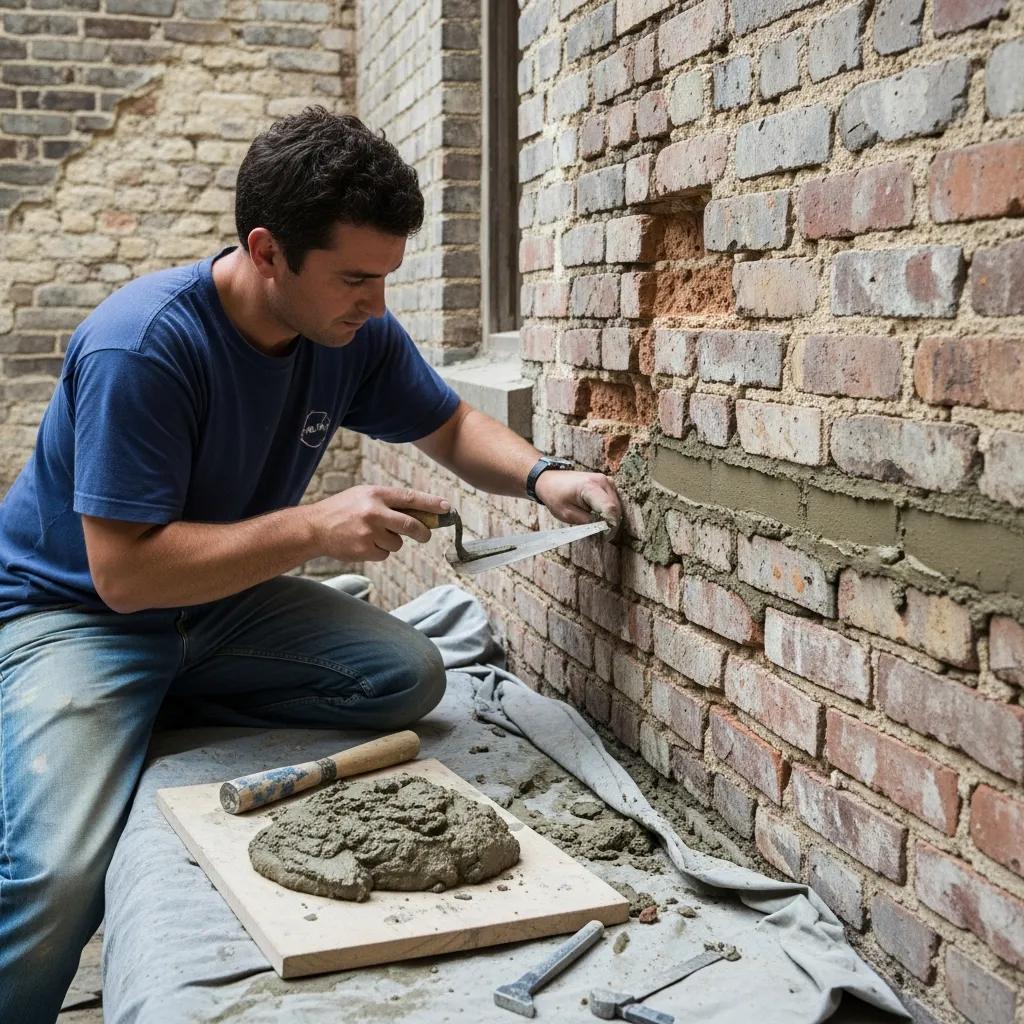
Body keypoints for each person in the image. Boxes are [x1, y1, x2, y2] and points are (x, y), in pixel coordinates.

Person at [0, 107, 622, 1022]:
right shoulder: (144, 346)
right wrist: (312, 530)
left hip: (219, 606)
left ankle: (152, 704)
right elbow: (123, 576)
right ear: (267, 251)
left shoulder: (350, 332)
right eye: (355, 278)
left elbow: (447, 422)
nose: (375, 305)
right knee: (54, 872)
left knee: (404, 673)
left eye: (385, 278)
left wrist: (543, 474)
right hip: (78, 615)